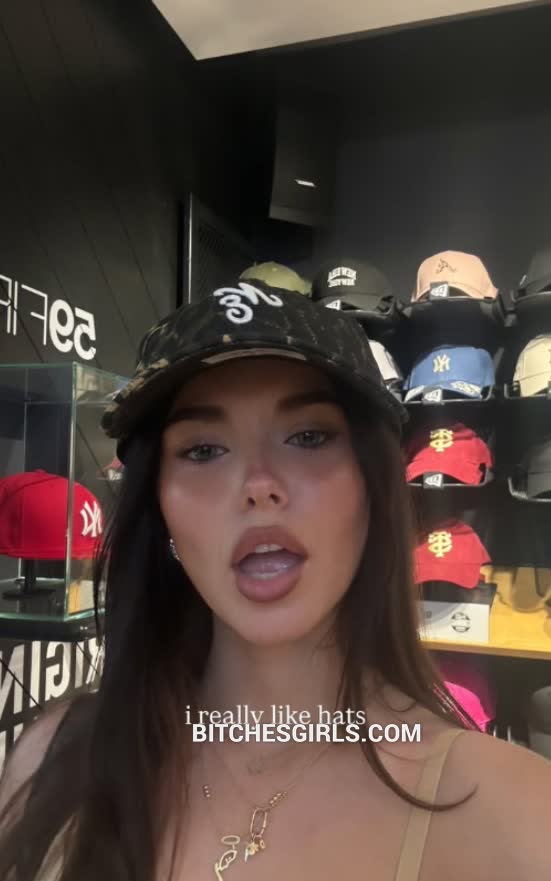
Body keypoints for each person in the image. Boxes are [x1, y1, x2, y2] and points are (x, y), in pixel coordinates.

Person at [0, 279, 550, 881]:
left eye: (308, 437)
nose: (259, 485)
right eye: (203, 450)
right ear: (158, 503)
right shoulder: (52, 763)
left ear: (373, 485)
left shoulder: (518, 823)